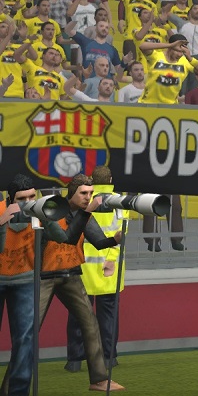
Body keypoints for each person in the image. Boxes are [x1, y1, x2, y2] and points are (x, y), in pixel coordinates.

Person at [38, 174, 124, 392]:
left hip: (71, 274)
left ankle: (99, 379)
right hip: (46, 276)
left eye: (90, 193)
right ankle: (11, 385)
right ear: (72, 193)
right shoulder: (54, 209)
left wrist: (114, 240)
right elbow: (68, 237)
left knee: (90, 323)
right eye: (83, 193)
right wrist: (86, 214)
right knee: (30, 328)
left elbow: (98, 241)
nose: (88, 197)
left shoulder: (84, 214)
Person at [67, 166, 132, 373]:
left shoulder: (83, 200)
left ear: (92, 181)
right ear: (111, 180)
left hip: (84, 267)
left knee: (78, 314)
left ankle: (75, 360)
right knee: (109, 315)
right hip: (109, 268)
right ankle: (109, 357)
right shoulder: (121, 202)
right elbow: (120, 234)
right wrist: (111, 259)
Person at [0, 174, 38, 396]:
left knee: (25, 339)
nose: (28, 203)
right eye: (22, 199)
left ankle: (19, 392)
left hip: (24, 279)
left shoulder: (39, 213)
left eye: (32, 197)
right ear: (10, 199)